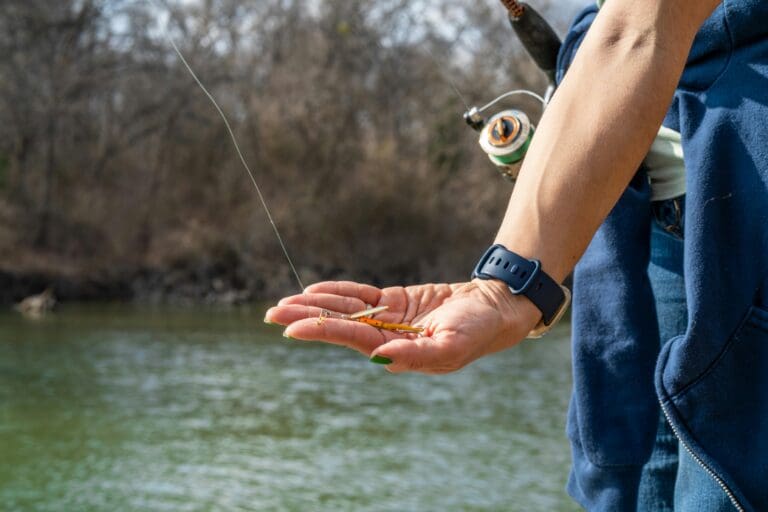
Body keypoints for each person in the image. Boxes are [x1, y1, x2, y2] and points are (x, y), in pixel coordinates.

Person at [265, 0, 768, 509]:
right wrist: (505, 286)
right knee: (642, 482)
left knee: (726, 477)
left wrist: (507, 284)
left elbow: (639, 29)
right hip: (650, 205)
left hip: (746, 195)